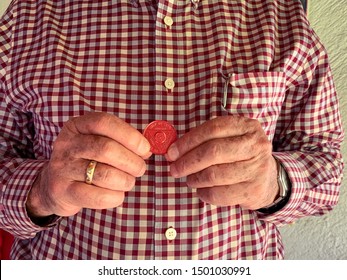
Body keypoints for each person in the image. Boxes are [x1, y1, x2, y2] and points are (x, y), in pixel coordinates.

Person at [0, 0, 344, 260]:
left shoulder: (280, 16)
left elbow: (327, 168)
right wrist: (41, 192)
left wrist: (274, 182)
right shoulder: (28, 18)